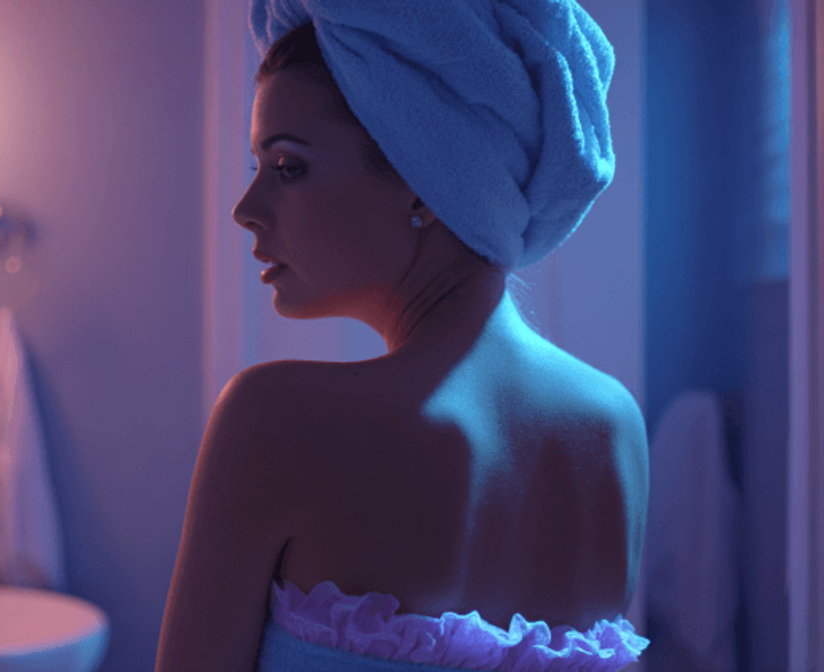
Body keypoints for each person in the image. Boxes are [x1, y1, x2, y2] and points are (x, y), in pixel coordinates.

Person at [157, 2, 649, 671]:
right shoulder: (612, 425)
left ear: (424, 183)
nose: (247, 211)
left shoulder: (272, 419)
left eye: (288, 166)